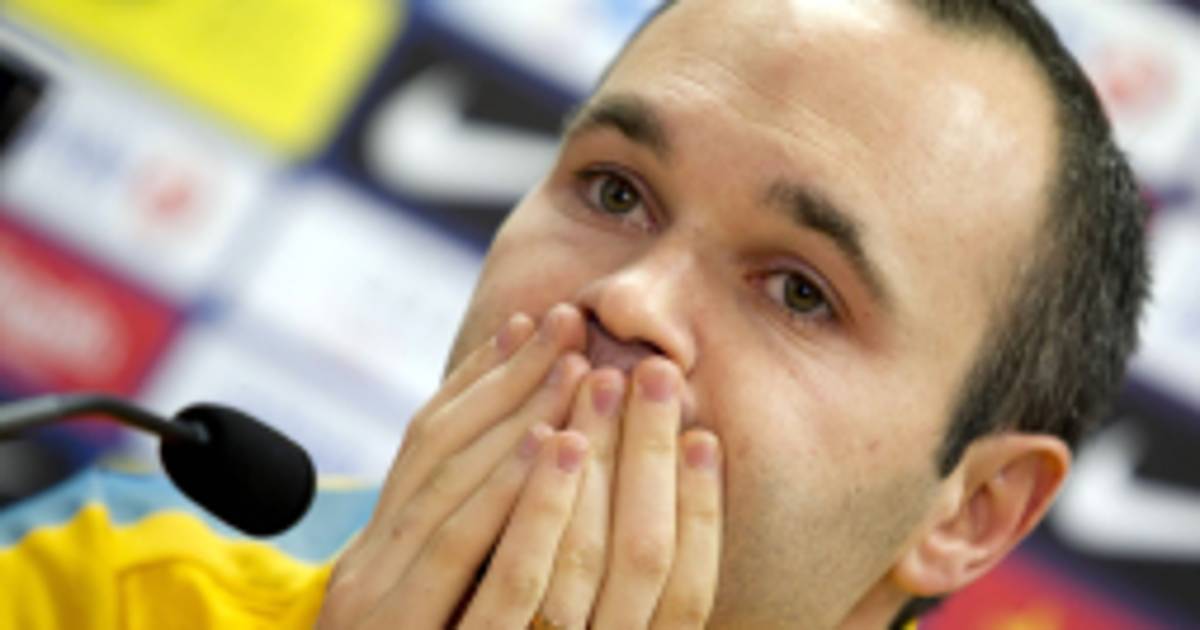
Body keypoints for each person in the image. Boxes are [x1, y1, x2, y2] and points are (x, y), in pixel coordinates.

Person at [0, 0, 1149, 629]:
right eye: (614, 192)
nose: (633, 300)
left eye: (801, 291)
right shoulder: (105, 585)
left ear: (972, 513)